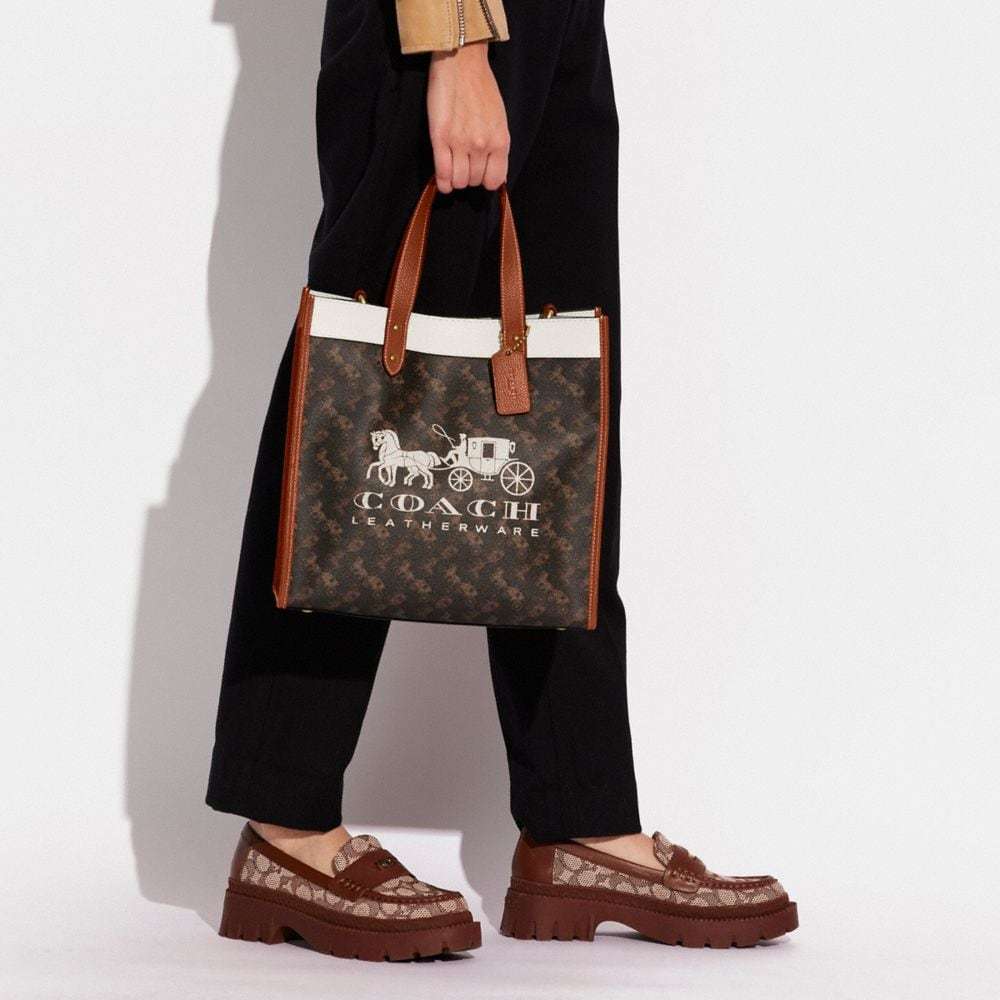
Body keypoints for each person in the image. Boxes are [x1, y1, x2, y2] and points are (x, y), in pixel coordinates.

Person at [206, 0, 797, 960]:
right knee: (360, 395)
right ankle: (286, 823)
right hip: (444, 22)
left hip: (557, 19)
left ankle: (581, 820)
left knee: (561, 402)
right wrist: (453, 37)